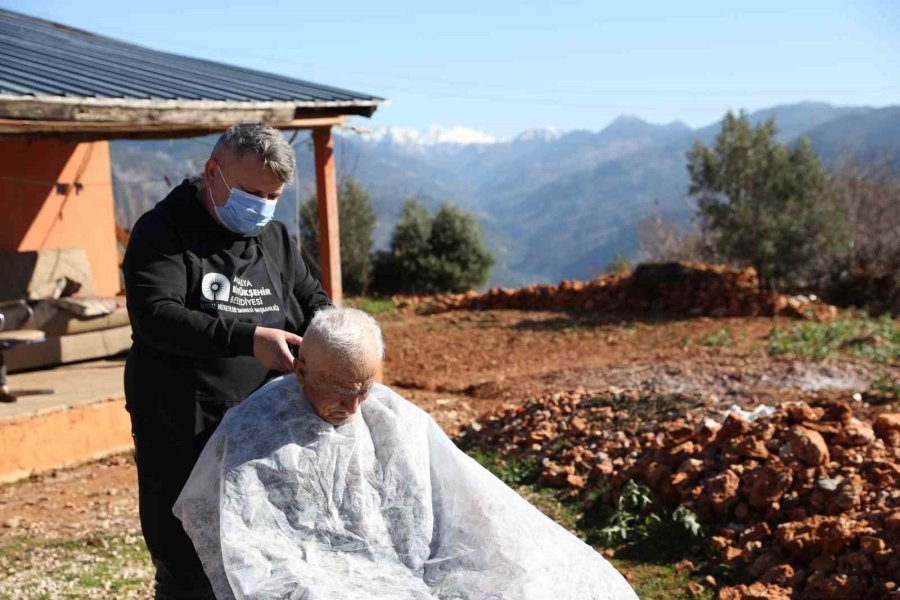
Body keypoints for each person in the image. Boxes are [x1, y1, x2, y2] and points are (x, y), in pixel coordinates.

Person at [174, 307, 638, 600]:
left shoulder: (391, 416)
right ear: (301, 371)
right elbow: (244, 540)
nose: (354, 407)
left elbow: (446, 504)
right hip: (310, 572)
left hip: (403, 565)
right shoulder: (253, 429)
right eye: (340, 391)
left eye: (365, 389)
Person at [123, 122, 331, 599]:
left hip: (262, 428)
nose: (260, 206)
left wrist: (338, 339)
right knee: (189, 563)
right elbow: (157, 317)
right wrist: (248, 339)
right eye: (250, 191)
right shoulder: (162, 232)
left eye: (272, 195)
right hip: (183, 427)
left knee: (261, 556)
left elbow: (312, 300)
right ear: (212, 171)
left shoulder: (275, 239)